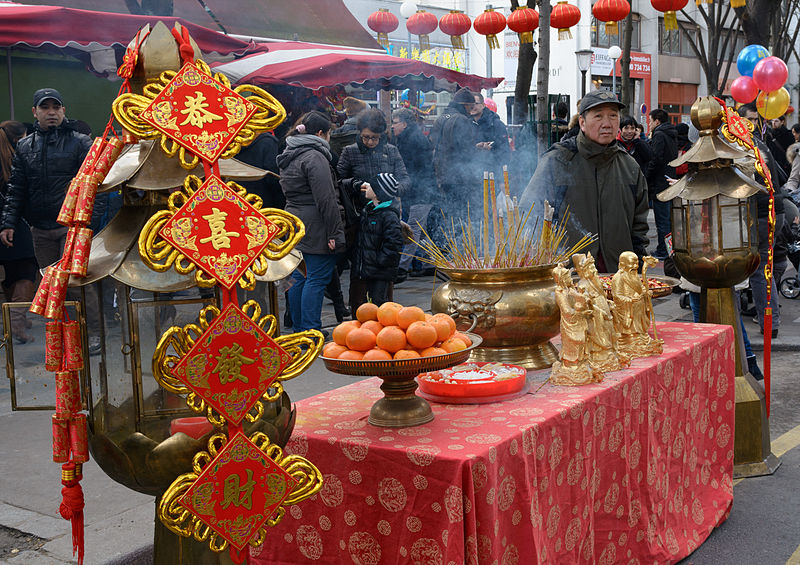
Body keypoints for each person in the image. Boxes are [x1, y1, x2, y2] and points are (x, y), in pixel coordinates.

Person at [0, 88, 105, 353]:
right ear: (35, 112)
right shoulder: (25, 146)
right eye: (45, 108)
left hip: (73, 227)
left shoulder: (81, 142)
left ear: (63, 111)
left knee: (78, 282)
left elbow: (98, 184)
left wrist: (89, 221)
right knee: (52, 287)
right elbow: (16, 188)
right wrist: (8, 223)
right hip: (40, 228)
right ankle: (63, 333)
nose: (51, 112)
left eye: (55, 107)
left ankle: (92, 333)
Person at [519, 89, 649, 273]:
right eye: (598, 116)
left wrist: (637, 267)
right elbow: (530, 214)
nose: (607, 123)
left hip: (617, 277)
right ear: (582, 122)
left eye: (613, 116)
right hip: (569, 277)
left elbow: (639, 226)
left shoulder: (630, 166)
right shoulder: (558, 161)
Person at [276, 111, 345, 335]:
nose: (329, 139)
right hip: (315, 223)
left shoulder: (291, 152)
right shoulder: (314, 157)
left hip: (294, 220)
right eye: (328, 134)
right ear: (319, 133)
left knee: (300, 275)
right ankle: (310, 329)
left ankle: (299, 328)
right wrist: (335, 232)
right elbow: (326, 198)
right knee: (316, 277)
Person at [337, 108, 410, 308]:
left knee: (383, 271)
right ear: (360, 133)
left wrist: (390, 191)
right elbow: (338, 181)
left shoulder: (391, 152)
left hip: (387, 213)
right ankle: (358, 310)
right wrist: (353, 184)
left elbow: (405, 180)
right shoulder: (350, 151)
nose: (370, 142)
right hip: (359, 217)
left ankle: (385, 309)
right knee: (360, 269)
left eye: (375, 138)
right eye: (367, 137)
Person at [739, 103, 787, 338]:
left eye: (754, 120)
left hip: (760, 212)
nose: (752, 124)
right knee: (764, 266)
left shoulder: (741, 146)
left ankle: (769, 321)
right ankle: (770, 318)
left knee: (759, 270)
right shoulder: (760, 144)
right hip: (774, 210)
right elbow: (783, 175)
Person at [0, 121, 37, 344]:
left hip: (4, 227)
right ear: (17, 139)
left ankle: (14, 319)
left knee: (11, 271)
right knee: (27, 270)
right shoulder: (14, 160)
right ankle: (17, 322)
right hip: (15, 224)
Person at [391, 108, 435, 278]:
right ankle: (429, 262)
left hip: (421, 192)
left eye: (395, 123)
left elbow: (410, 169)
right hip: (420, 190)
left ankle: (402, 267)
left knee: (413, 229)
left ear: (404, 123)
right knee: (421, 230)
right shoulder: (410, 137)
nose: (392, 126)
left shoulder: (410, 140)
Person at [349, 173, 403, 311]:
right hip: (366, 267)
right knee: (363, 304)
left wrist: (381, 261)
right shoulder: (369, 209)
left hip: (380, 270)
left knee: (379, 303)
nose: (366, 187)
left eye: (371, 186)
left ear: (378, 193)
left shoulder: (389, 215)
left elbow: (394, 243)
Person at [430, 87, 479, 221]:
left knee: (448, 212)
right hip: (458, 178)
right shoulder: (461, 120)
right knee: (459, 214)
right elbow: (466, 151)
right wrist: (477, 149)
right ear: (465, 105)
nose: (471, 111)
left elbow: (434, 141)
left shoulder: (441, 117)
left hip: (441, 173)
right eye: (470, 107)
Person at [643, 108, 678, 259]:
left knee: (662, 221)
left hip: (659, 182)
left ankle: (664, 251)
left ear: (657, 121)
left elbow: (655, 158)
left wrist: (647, 175)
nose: (649, 124)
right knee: (668, 220)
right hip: (669, 179)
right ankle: (668, 249)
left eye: (650, 121)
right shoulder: (672, 134)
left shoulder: (659, 134)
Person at [471, 92, 510, 180]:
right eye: (471, 104)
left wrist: (491, 148)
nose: (473, 106)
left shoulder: (496, 124)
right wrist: (475, 147)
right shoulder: (466, 123)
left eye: (476, 103)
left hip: (492, 174)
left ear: (483, 105)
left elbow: (504, 152)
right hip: (472, 174)